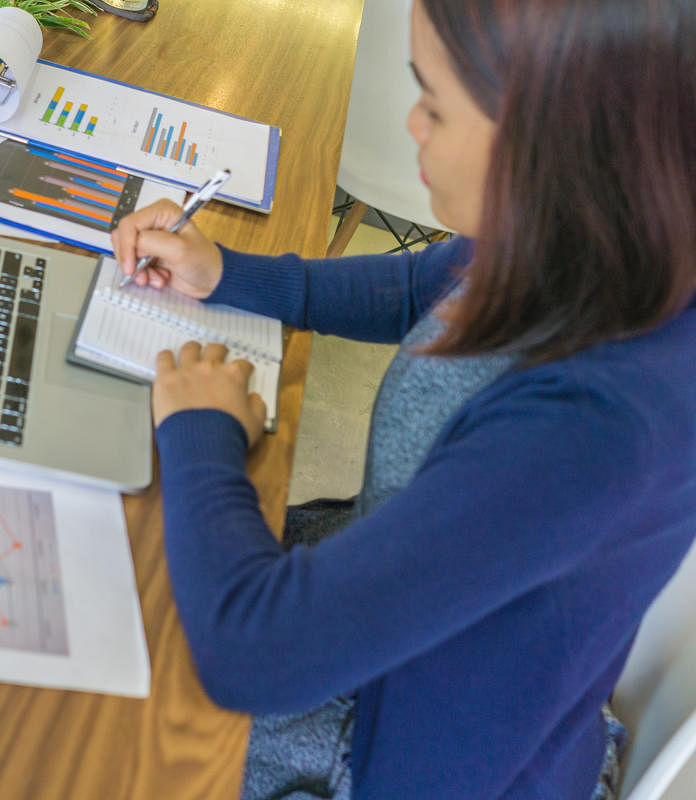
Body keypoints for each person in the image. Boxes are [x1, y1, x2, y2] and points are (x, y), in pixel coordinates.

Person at [109, 0, 696, 797]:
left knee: (91, 721)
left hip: (395, 758)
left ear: (551, 146)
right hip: (407, 659)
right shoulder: (601, 231)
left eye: (435, 105)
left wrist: (201, 429)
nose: (413, 124)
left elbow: (254, 656)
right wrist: (230, 277)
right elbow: (422, 285)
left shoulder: (593, 425)